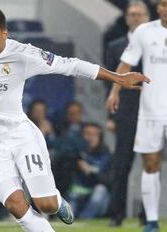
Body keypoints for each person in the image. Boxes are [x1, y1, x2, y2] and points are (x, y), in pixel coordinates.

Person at [0, 6, 149, 231]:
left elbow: (71, 65)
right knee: (16, 205)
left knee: (45, 205)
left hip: (20, 136)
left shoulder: (24, 54)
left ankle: (56, 200)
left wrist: (118, 78)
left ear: (4, 33)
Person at [106, 0, 167, 231]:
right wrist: (114, 91)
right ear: (157, 8)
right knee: (150, 164)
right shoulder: (144, 32)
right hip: (150, 110)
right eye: (161, 4)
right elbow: (126, 64)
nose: (164, 8)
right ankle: (151, 221)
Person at [105, 1, 150, 227]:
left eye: (139, 14)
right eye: (132, 14)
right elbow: (108, 83)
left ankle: (146, 215)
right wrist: (111, 117)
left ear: (147, 16)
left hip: (153, 112)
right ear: (126, 17)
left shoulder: (158, 43)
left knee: (151, 165)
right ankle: (116, 215)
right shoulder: (115, 47)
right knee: (121, 165)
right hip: (125, 114)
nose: (135, 17)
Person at [69, 123, 111, 219]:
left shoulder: (106, 155)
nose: (91, 138)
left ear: (100, 137)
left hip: (98, 201)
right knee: (68, 214)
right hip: (77, 195)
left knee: (101, 189)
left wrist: (91, 172)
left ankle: (86, 218)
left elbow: (110, 181)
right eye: (87, 134)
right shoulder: (75, 154)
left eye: (95, 135)